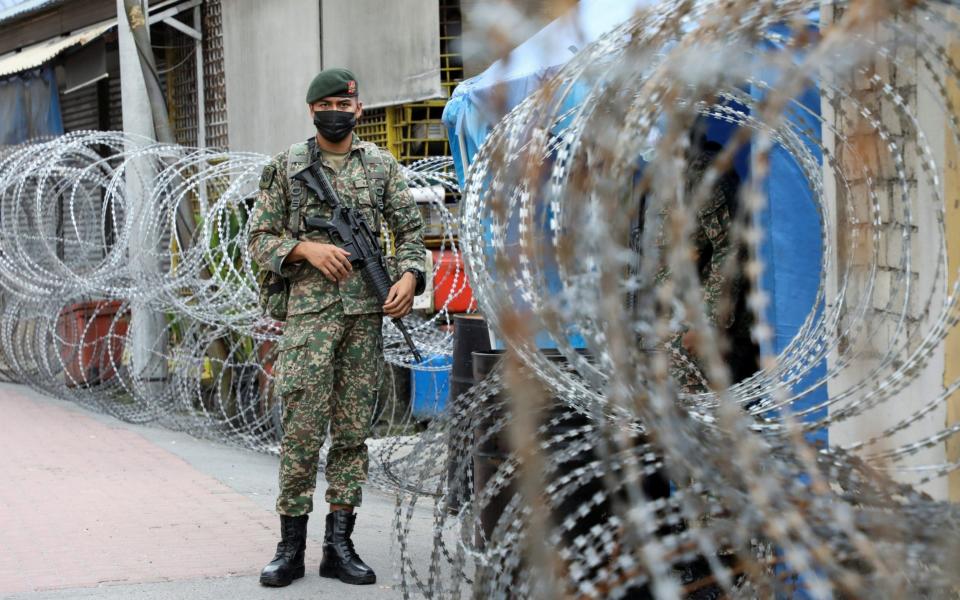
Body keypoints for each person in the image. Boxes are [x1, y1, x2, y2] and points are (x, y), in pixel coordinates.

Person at [247, 68, 426, 587]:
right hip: (310, 322)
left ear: (357, 110)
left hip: (364, 322)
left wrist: (410, 278)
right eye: (325, 103)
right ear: (311, 110)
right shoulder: (287, 167)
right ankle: (290, 548)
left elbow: (410, 232)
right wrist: (306, 248)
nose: (335, 111)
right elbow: (258, 238)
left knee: (352, 434)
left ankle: (339, 545)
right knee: (302, 433)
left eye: (343, 104)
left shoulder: (381, 168)